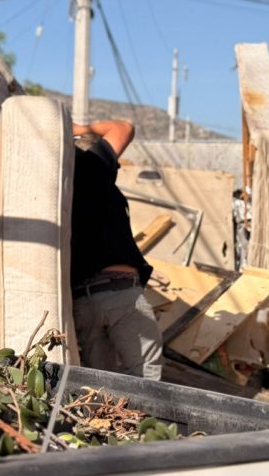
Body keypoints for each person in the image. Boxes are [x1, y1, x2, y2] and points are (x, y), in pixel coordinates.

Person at [69, 120, 163, 380]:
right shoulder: (92, 166)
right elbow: (125, 127)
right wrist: (79, 127)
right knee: (147, 378)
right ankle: (147, 422)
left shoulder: (60, 188)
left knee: (100, 387)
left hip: (82, 302)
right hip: (119, 294)